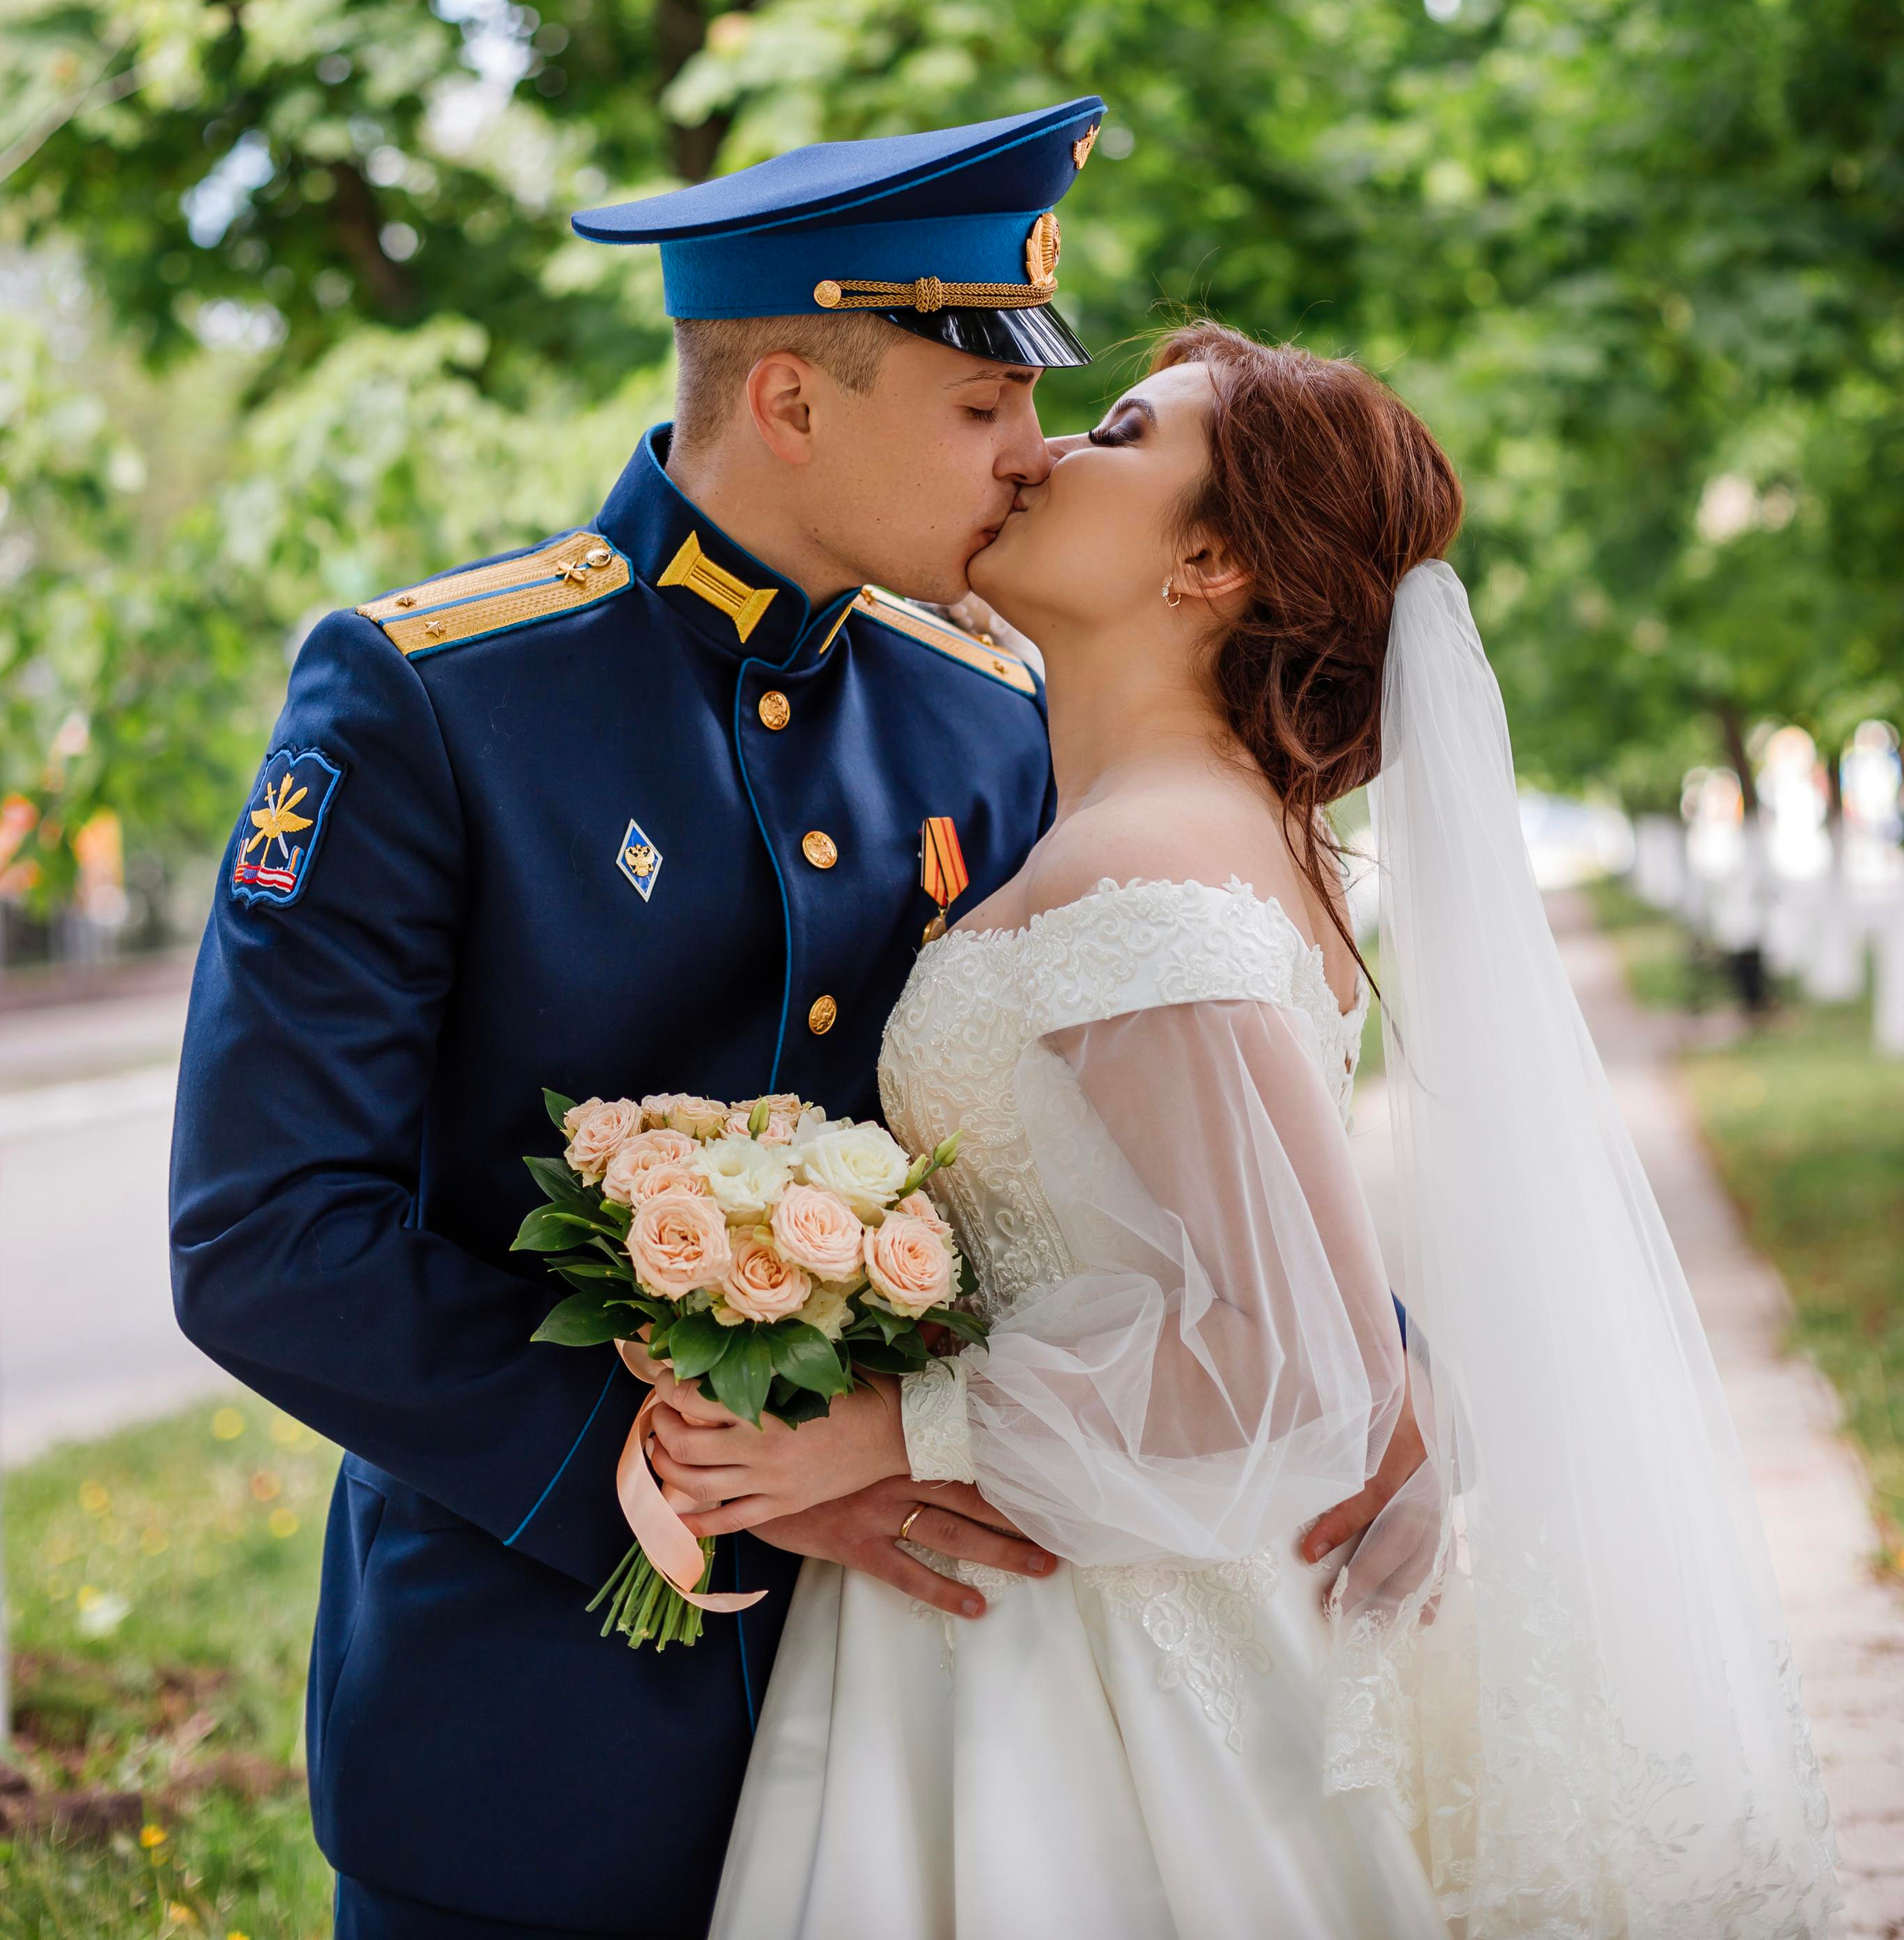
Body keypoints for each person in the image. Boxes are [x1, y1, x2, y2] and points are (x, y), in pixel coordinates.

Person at [653, 325, 1842, 1940]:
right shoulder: (1189, 834)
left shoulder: (1145, 876)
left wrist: (886, 1433)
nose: (1042, 451)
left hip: (1102, 1659)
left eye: (1120, 433)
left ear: (1206, 558)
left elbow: (1288, 1363)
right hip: (1101, 1577)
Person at [170, 97, 1140, 1940]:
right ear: (786, 399)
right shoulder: (431, 699)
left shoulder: (981, 713)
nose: (1034, 450)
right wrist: (703, 1478)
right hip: (524, 1735)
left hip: (929, 1725)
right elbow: (267, 1236)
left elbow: (1101, 1130)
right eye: (977, 402)